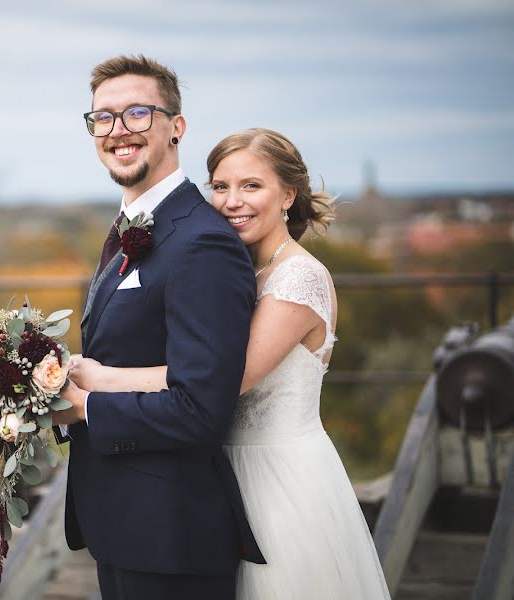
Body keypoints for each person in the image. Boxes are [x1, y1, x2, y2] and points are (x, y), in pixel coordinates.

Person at [68, 127, 391, 599]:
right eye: (220, 187)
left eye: (251, 186)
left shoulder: (299, 279)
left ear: (288, 194)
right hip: (215, 470)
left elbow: (222, 380)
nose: (232, 201)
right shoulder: (225, 265)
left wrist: (99, 382)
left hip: (278, 478)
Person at [53, 55, 264, 600]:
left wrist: (82, 408)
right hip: (123, 527)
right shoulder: (136, 227)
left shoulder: (202, 242)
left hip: (173, 539)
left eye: (138, 113)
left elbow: (200, 408)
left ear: (177, 126)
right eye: (103, 118)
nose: (118, 131)